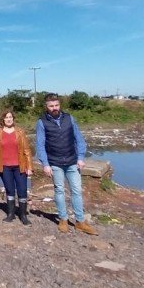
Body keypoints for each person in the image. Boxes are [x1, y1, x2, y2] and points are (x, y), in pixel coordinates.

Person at [35, 94, 98, 235]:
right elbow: (40, 145)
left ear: (59, 105)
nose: (54, 108)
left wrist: (81, 157)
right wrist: (45, 164)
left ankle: (80, 221)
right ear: (46, 107)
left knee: (76, 190)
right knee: (59, 190)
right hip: (55, 163)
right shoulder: (41, 122)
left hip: (72, 162)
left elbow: (79, 139)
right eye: (51, 106)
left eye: (56, 105)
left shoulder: (69, 118)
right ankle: (63, 219)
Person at [0, 109, 33, 225]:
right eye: (6, 117)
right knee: (9, 190)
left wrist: (29, 167)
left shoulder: (20, 131)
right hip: (5, 167)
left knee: (22, 190)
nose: (9, 119)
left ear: (13, 119)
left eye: (10, 117)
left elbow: (27, 150)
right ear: (3, 119)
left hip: (20, 166)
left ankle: (23, 215)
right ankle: (10, 214)